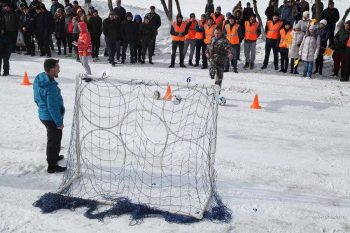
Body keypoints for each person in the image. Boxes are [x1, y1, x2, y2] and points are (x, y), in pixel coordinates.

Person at [33, 59, 66, 173]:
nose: (59, 69)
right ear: (52, 69)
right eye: (58, 67)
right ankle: (52, 165)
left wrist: (41, 106)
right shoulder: (50, 87)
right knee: (54, 140)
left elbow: (36, 97)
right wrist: (59, 122)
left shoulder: (39, 77)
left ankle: (54, 156)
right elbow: (52, 107)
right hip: (51, 118)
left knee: (55, 138)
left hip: (44, 115)